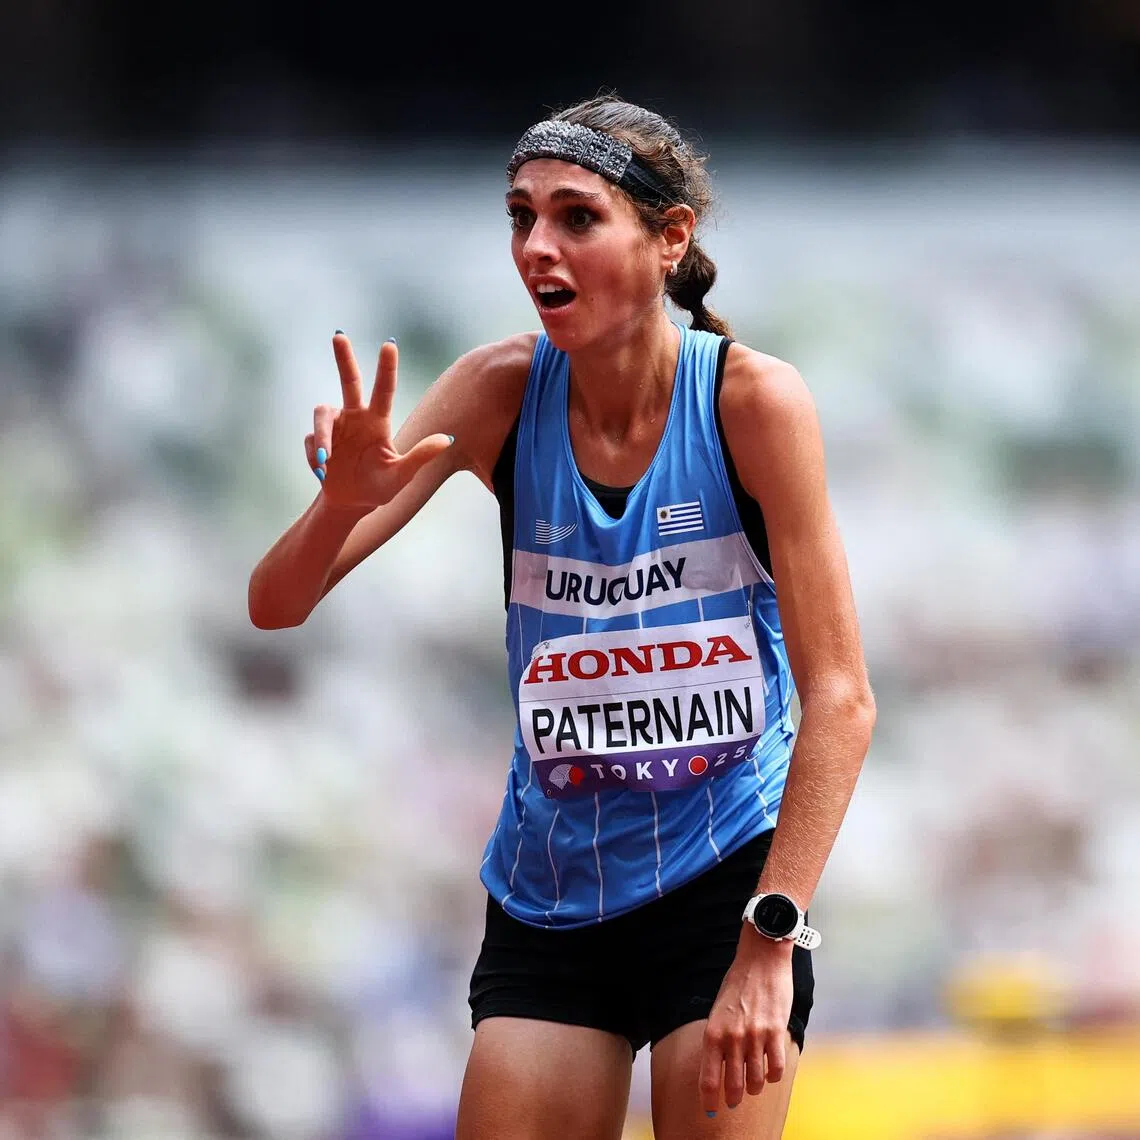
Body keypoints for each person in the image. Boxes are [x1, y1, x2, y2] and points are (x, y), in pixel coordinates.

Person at [248, 93, 875, 1140]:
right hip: (549, 894)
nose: (537, 246)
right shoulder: (497, 390)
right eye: (519, 216)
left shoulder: (752, 406)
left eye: (577, 217)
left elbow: (842, 699)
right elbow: (277, 603)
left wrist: (774, 938)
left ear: (670, 239)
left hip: (725, 892)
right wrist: (338, 507)